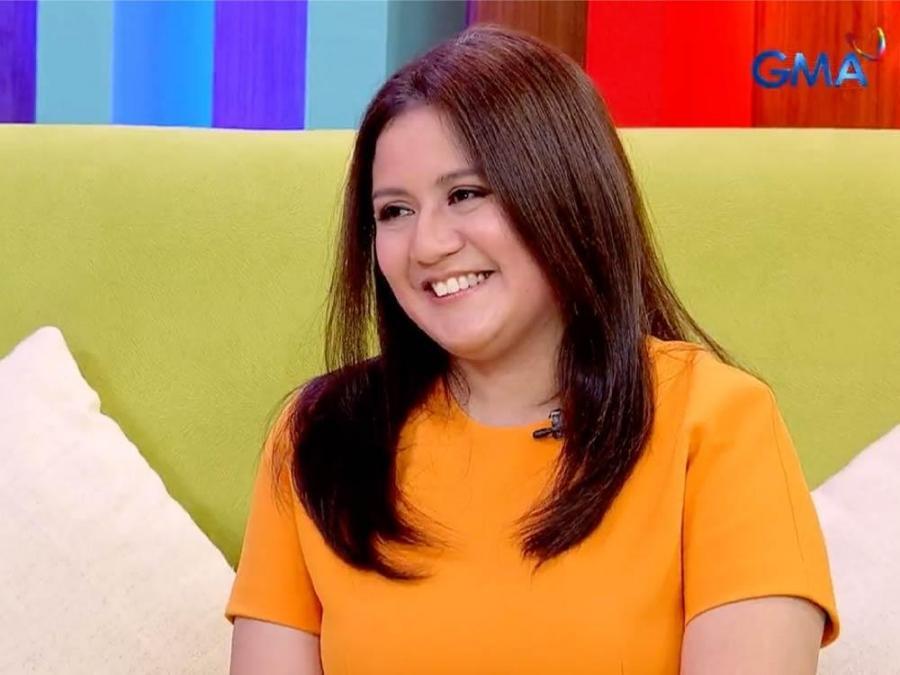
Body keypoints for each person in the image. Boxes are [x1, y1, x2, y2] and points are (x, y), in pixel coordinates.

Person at [225, 24, 840, 674]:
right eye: (394, 211)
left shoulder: (715, 420)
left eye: (465, 195)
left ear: (563, 194)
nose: (427, 245)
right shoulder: (319, 436)